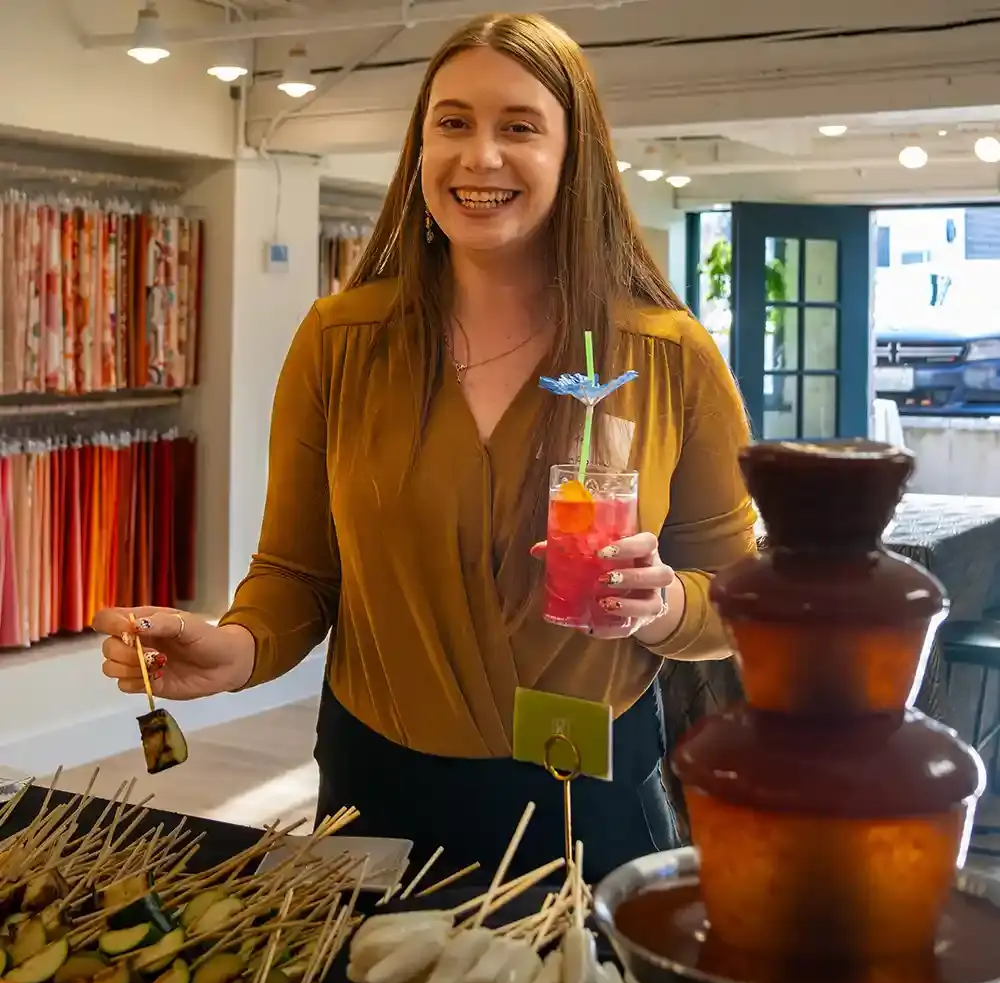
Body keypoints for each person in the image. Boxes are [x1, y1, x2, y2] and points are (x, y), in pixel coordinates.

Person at [93, 12, 755, 884]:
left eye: (518, 126)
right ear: (420, 148)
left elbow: (744, 598)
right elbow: (297, 570)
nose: (480, 157)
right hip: (379, 781)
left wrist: (665, 605)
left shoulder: (667, 356)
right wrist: (240, 648)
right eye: (453, 122)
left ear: (575, 154)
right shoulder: (342, 340)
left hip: (583, 784)